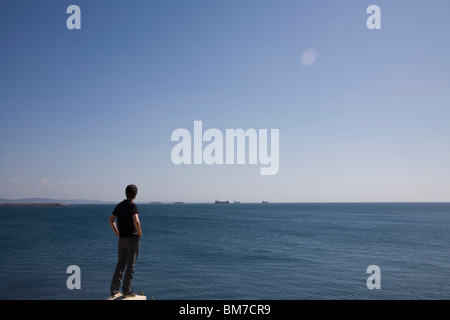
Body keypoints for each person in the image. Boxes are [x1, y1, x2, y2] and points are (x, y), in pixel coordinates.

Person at [109, 184, 142, 298]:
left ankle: (114, 289)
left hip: (122, 239)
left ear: (125, 193)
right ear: (135, 195)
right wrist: (140, 232)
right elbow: (136, 221)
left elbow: (111, 220)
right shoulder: (133, 206)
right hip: (132, 239)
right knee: (130, 265)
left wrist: (118, 233)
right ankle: (127, 290)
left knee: (120, 264)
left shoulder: (119, 206)